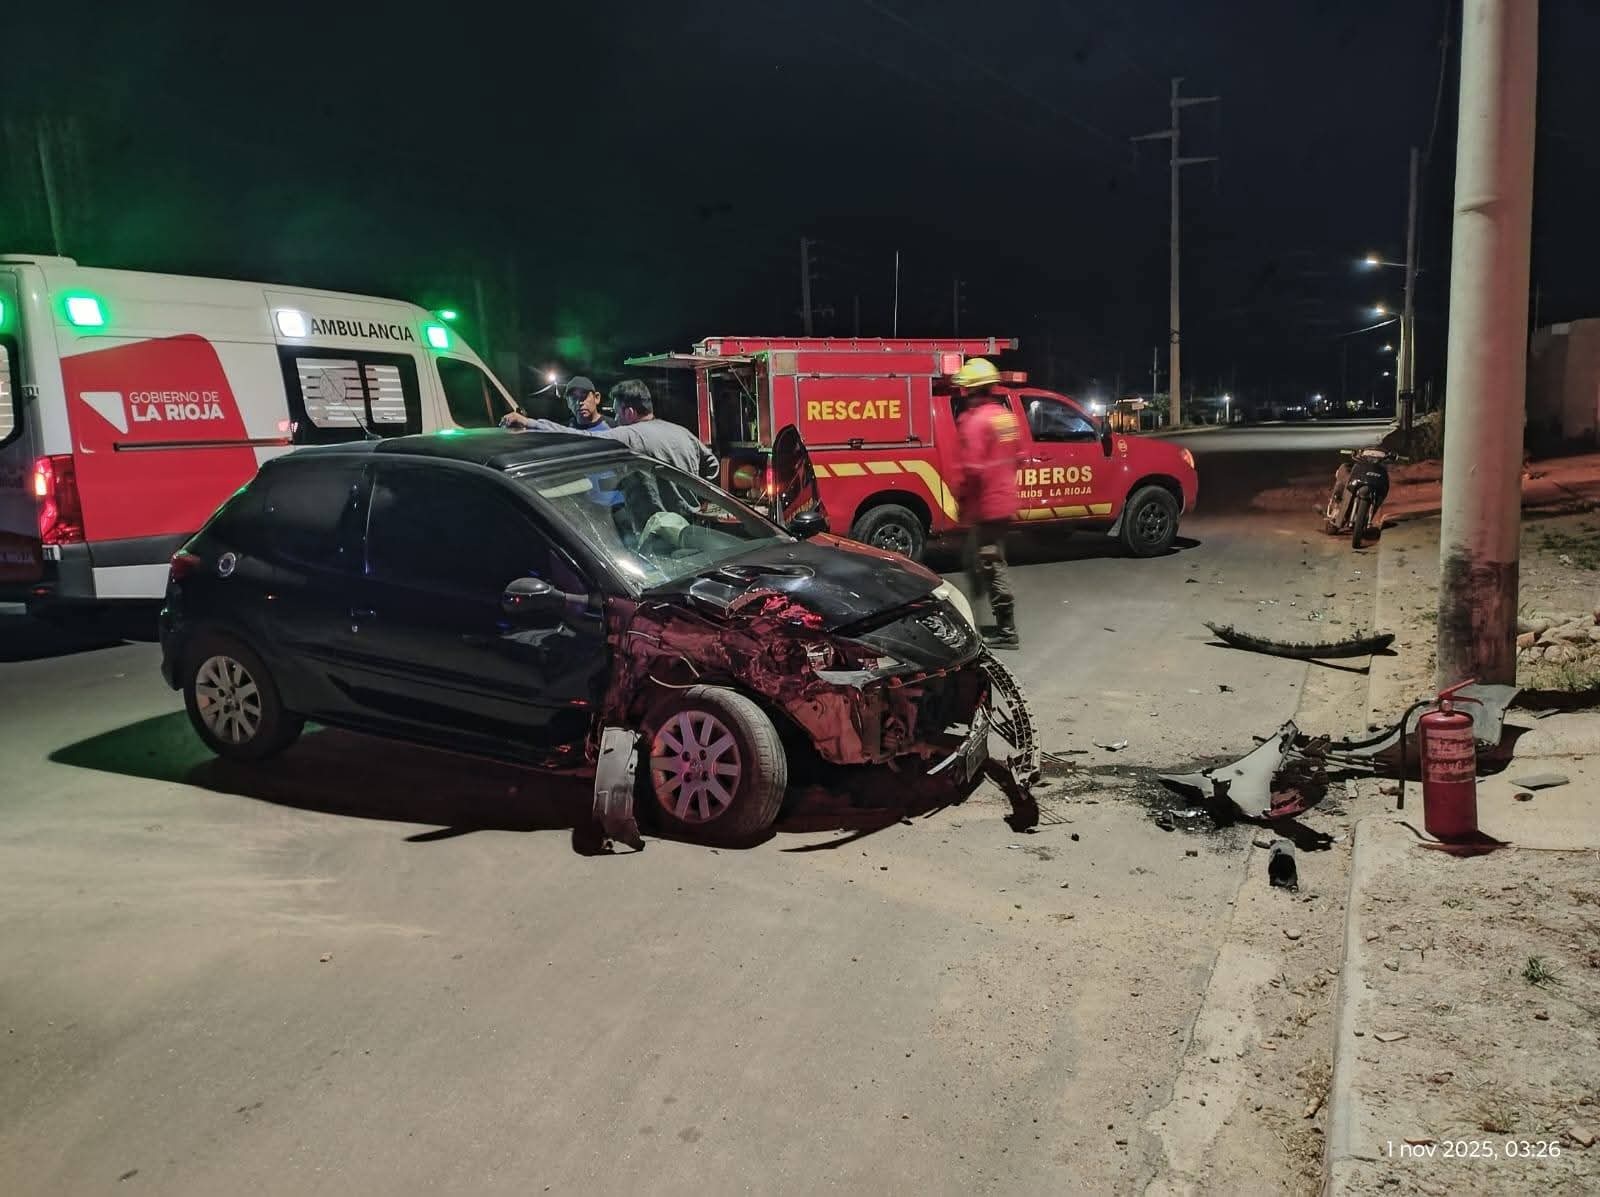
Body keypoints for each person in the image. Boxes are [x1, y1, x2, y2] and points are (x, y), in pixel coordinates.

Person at [502, 379, 718, 479]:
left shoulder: (630, 434)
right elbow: (712, 465)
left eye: (617, 412)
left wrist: (530, 423)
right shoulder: (682, 432)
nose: (615, 417)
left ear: (630, 412)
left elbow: (581, 437)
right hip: (688, 526)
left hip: (658, 536)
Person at [951, 357, 1022, 650]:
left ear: (973, 390)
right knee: (982, 561)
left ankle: (1006, 631)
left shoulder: (974, 422)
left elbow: (972, 469)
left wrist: (962, 503)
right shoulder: (1005, 417)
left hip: (986, 505)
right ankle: (986, 623)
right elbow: (1016, 457)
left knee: (991, 564)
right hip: (1003, 500)